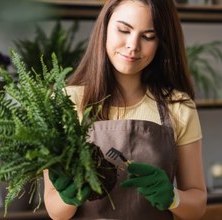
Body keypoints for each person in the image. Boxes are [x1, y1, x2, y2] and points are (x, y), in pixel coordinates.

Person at [43, 0, 207, 219]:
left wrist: (174, 197)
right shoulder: (65, 102)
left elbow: (197, 204)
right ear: (105, 28)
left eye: (148, 36)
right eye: (124, 30)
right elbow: (55, 211)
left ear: (162, 42)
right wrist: (67, 198)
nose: (133, 45)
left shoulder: (179, 106)